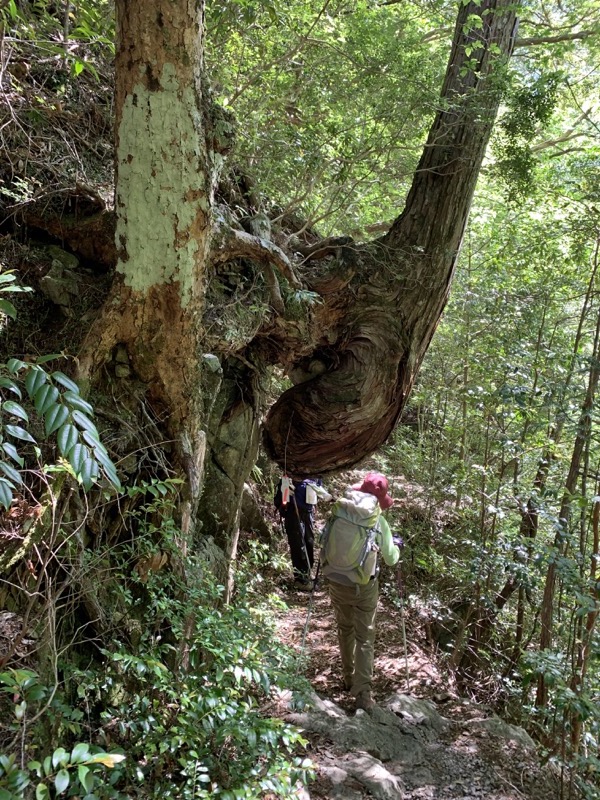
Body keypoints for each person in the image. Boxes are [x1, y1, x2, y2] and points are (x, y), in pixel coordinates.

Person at [322, 471, 400, 711]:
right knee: (364, 636)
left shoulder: (339, 510)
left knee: (344, 627)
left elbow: (323, 540)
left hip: (335, 578)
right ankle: (362, 691)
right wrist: (396, 547)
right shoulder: (379, 521)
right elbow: (391, 559)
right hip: (364, 585)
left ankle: (347, 678)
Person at [275, 476, 332, 591]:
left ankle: (306, 575)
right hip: (293, 511)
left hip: (308, 513)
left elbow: (318, 488)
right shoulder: (291, 474)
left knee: (309, 542)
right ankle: (300, 580)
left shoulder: (314, 474)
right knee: (298, 544)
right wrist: (286, 497)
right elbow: (283, 496)